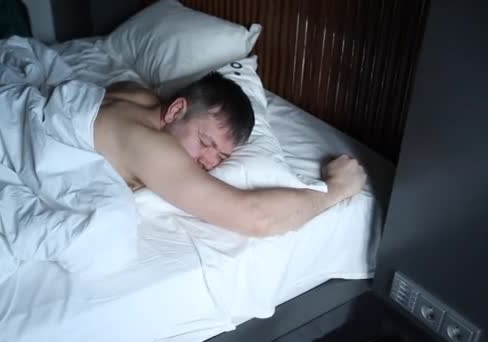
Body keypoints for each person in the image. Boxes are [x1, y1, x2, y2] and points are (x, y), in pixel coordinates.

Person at [95, 72, 366, 237]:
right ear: (176, 110)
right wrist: (336, 190)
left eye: (222, 157)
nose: (209, 162)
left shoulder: (135, 93)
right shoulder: (152, 146)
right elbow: (257, 219)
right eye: (204, 141)